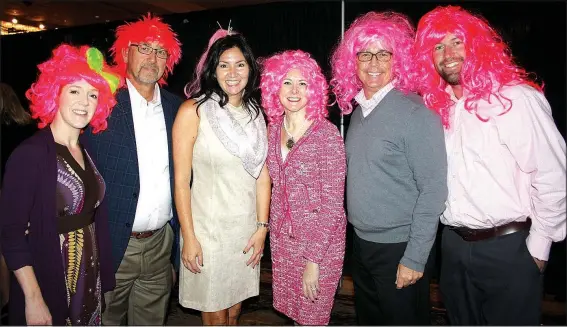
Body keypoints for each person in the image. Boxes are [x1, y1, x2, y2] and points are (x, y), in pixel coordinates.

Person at [413, 5, 566, 325]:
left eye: (456, 41)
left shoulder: (515, 98)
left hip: (509, 248)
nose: (448, 53)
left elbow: (553, 177)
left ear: (477, 44)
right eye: (437, 46)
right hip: (453, 248)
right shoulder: (438, 109)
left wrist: (538, 249)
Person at [330, 11, 448, 325]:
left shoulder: (415, 113)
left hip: (400, 247)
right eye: (365, 54)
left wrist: (414, 257)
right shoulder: (360, 110)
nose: (373, 63)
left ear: (399, 60)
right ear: (352, 62)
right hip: (363, 245)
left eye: (384, 54)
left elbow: (434, 191)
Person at [0, 44, 120, 325]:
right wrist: (33, 298)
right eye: (74, 91)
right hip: (50, 274)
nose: (84, 102)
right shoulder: (31, 153)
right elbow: (11, 233)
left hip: (88, 275)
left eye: (93, 94)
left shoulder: (87, 148)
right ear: (55, 93)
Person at [82, 13, 183, 325]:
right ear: (125, 53)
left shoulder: (176, 107)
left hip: (159, 244)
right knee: (106, 319)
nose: (152, 58)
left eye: (160, 51)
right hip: (112, 242)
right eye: (143, 48)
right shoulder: (101, 102)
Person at [173, 28, 270, 325]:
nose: (232, 72)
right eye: (223, 64)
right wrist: (189, 237)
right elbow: (180, 182)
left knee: (236, 310)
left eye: (240, 64)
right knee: (215, 313)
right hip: (208, 232)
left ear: (250, 69)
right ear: (213, 70)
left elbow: (262, 175)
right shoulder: (194, 111)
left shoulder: (256, 112)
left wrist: (262, 227)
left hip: (244, 231)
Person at [260, 49, 347, 325]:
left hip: (318, 246)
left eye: (303, 83)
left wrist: (314, 261)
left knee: (312, 318)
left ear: (314, 90)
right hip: (283, 243)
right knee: (295, 315)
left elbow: (333, 207)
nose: (294, 90)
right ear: (275, 87)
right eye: (287, 82)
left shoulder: (326, 135)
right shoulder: (272, 130)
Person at [0, 82, 36, 321]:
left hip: (7, 192)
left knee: (6, 246)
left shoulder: (12, 131)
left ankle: (7, 300)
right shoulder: (30, 127)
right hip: (24, 193)